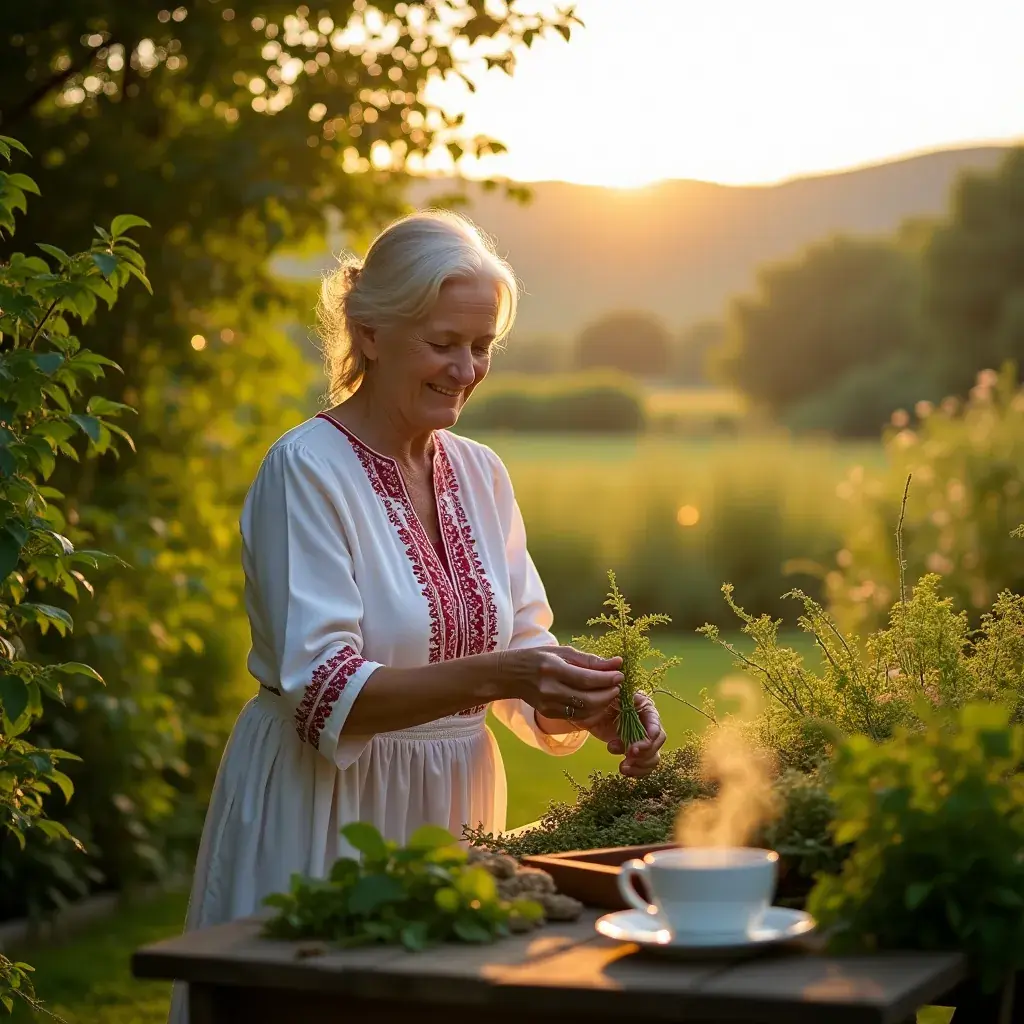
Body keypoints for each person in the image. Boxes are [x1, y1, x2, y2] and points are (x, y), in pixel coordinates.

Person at [168, 210, 665, 1022]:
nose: (466, 369)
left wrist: (589, 699)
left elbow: (519, 645)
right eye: (444, 343)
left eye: (481, 347)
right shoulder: (305, 470)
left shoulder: (480, 473)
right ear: (368, 333)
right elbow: (323, 696)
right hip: (327, 809)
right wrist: (511, 671)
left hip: (457, 815)